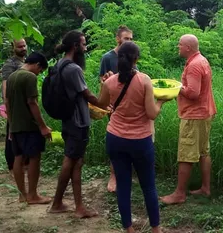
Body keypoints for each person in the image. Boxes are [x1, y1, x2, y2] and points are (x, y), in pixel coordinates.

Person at [100, 41, 166, 233]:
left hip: (115, 138)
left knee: (123, 185)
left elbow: (102, 105)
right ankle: (156, 229)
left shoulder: (109, 82)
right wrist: (160, 101)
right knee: (148, 186)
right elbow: (152, 113)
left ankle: (129, 229)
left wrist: (106, 90)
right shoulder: (144, 80)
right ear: (136, 59)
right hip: (140, 140)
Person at [49, 30, 109, 219]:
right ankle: (58, 203)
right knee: (71, 160)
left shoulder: (60, 64)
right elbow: (89, 96)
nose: (85, 47)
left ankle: (78, 206)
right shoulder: (73, 69)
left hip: (68, 120)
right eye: (83, 44)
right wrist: (105, 92)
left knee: (77, 161)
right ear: (75, 46)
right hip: (78, 122)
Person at [160, 34, 217, 205]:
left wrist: (177, 88)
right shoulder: (202, 60)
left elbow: (193, 93)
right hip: (205, 112)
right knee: (203, 152)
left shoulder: (193, 65)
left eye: (180, 45)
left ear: (188, 48)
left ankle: (179, 194)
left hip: (194, 115)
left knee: (186, 154)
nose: (178, 47)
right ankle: (206, 188)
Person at [5, 52, 52, 205]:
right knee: (34, 158)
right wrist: (43, 126)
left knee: (18, 158)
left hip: (16, 126)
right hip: (29, 126)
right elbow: (32, 103)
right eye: (40, 70)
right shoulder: (29, 77)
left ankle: (22, 195)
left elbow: (8, 103)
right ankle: (33, 195)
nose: (39, 74)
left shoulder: (12, 77)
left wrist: (11, 125)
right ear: (37, 65)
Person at [99, 25, 134, 193]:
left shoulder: (132, 56)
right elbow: (102, 80)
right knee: (116, 141)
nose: (129, 42)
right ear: (118, 39)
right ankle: (113, 175)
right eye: (126, 39)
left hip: (131, 105)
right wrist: (109, 79)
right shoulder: (108, 57)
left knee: (131, 140)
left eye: (131, 39)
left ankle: (127, 174)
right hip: (114, 106)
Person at [0, 38, 27, 176]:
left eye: (24, 45)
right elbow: (6, 85)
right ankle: (12, 163)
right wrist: (7, 103)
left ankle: (23, 161)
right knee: (12, 132)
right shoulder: (10, 64)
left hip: (23, 103)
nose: (23, 48)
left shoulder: (24, 61)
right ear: (13, 48)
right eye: (19, 46)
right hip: (14, 104)